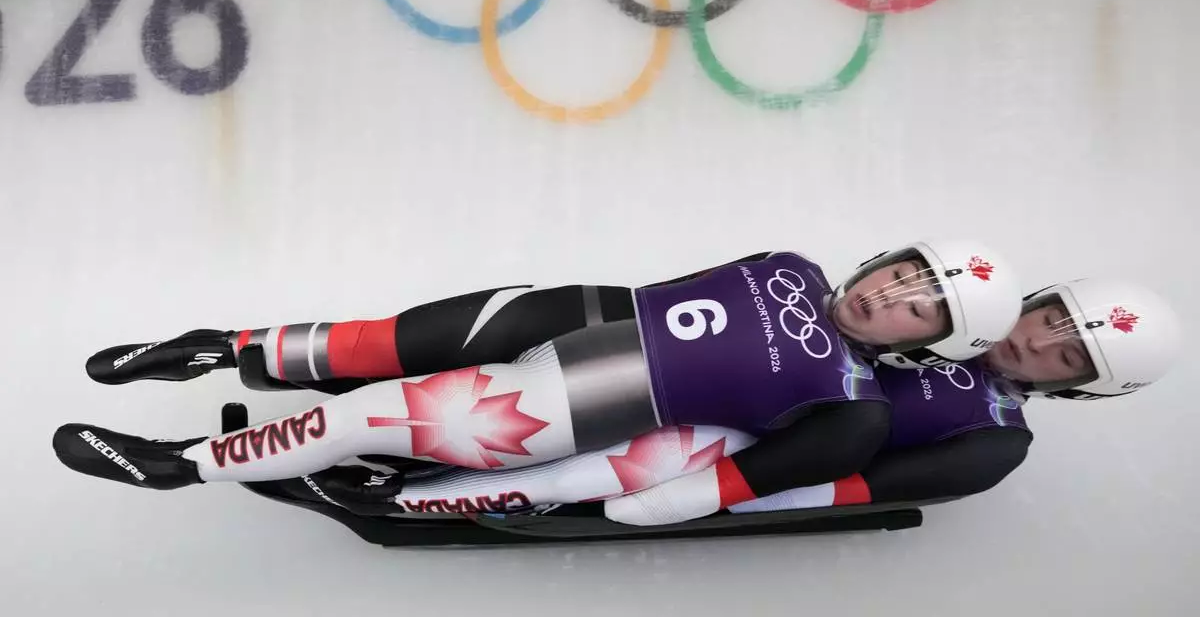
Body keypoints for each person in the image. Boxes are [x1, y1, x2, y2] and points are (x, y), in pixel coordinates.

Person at [53, 241, 1022, 522]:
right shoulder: (795, 264)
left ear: (931, 346)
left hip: (581, 403)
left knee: (358, 417)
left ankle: (181, 463)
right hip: (580, 313)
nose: (891, 295)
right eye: (903, 273)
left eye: (919, 306)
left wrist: (685, 495)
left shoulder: (850, 402)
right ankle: (224, 345)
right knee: (386, 339)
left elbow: (768, 467)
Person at [234, 275, 1181, 528]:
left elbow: (855, 483)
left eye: (1066, 355)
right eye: (1054, 318)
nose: (1036, 342)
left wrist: (719, 492)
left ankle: (401, 495)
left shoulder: (995, 441)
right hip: (719, 380)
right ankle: (343, 392)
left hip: (737, 448)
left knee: (622, 460)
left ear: (1083, 389)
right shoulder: (954, 307)